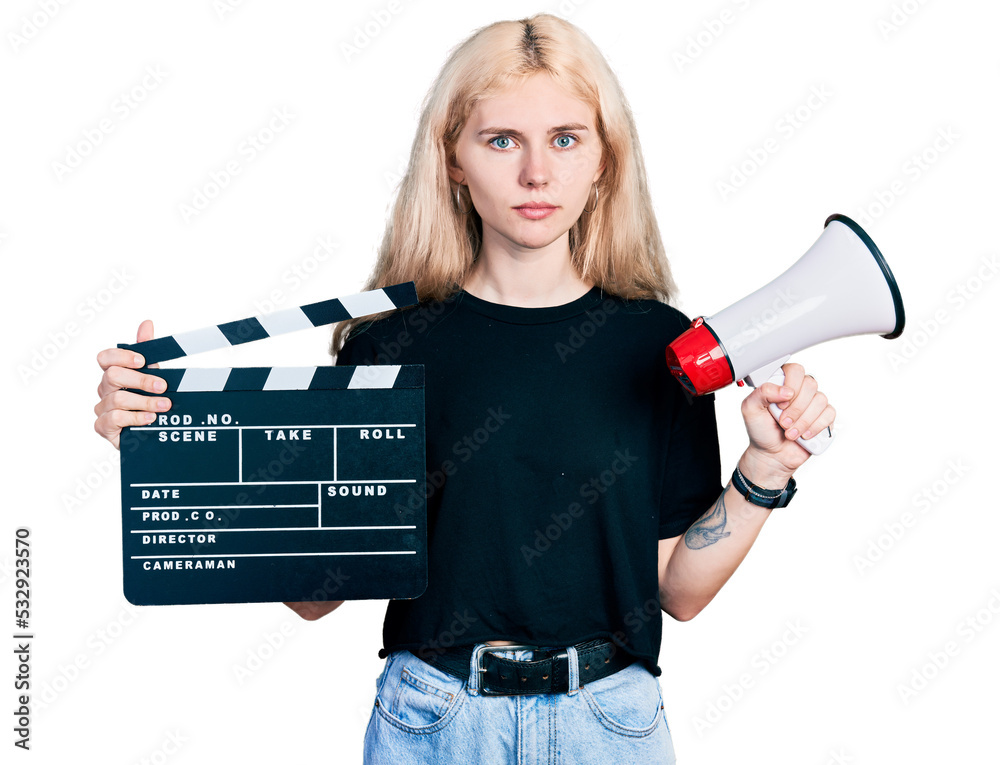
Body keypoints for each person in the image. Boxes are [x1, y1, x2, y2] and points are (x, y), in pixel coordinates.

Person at [94, 13, 834, 764]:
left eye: (566, 138)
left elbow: (678, 587)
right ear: (452, 158)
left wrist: (764, 468)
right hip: (434, 721)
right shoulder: (389, 345)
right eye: (501, 140)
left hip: (611, 726)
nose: (536, 174)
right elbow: (317, 591)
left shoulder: (662, 347)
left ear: (606, 158)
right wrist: (174, 448)